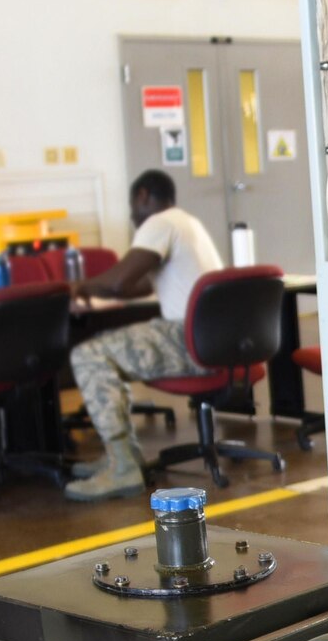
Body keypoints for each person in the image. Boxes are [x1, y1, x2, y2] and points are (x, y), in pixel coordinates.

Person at [63, 170, 223, 501]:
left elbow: (120, 281)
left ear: (143, 196)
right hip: (212, 339)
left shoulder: (159, 223)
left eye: (132, 206)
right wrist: (100, 291)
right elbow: (141, 285)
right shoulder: (186, 224)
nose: (133, 216)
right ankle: (124, 456)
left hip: (186, 339)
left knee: (89, 354)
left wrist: (79, 287)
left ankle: (122, 468)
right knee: (110, 351)